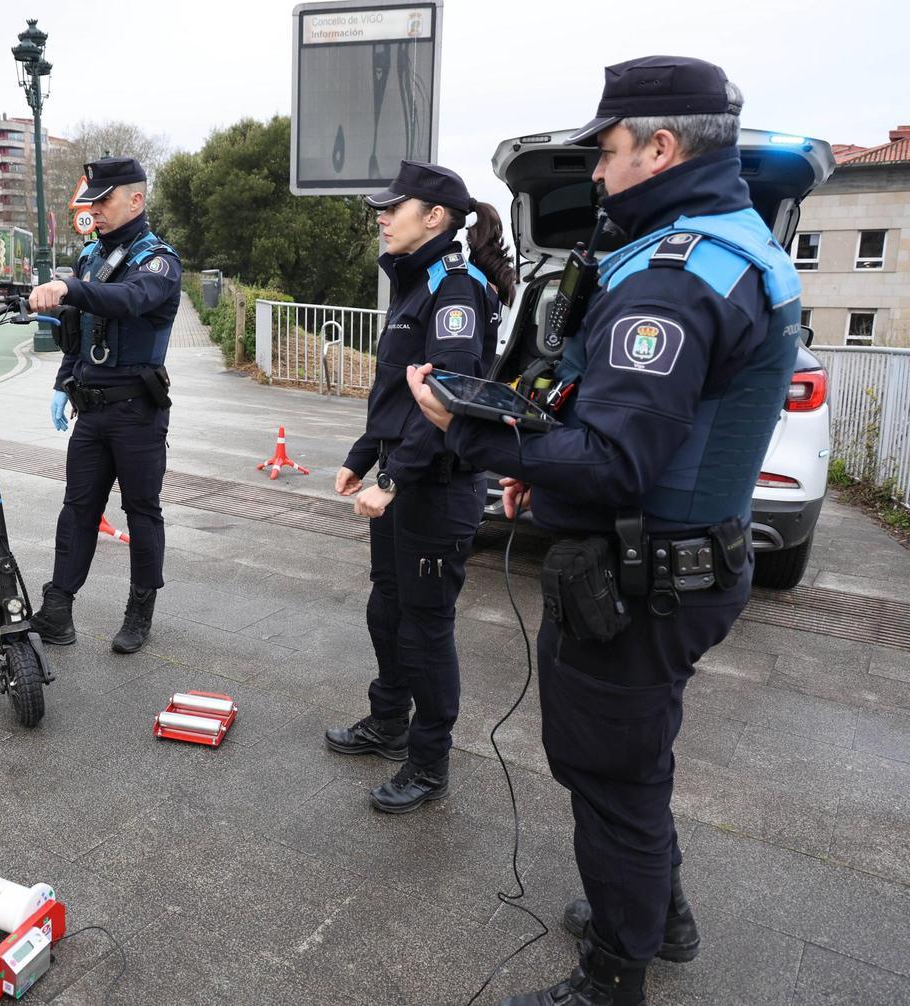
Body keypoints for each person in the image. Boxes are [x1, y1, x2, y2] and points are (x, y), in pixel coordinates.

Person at [408, 57, 802, 1005]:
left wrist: (468, 434)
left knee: (609, 773)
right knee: (636, 756)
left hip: (643, 580)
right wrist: (541, 470)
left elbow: (616, 461)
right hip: (683, 560)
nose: (596, 171)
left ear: (661, 147)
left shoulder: (672, 280)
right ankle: (656, 913)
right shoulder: (729, 243)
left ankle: (612, 976)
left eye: (609, 150)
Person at [325, 160, 516, 814]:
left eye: (393, 207)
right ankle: (389, 722)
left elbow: (448, 400)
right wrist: (362, 456)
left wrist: (395, 480)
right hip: (401, 478)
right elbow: (395, 394)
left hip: (435, 488)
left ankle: (429, 762)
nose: (381, 216)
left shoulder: (455, 291)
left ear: (434, 217)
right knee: (389, 610)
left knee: (425, 629)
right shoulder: (416, 282)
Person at [28, 156, 181, 655]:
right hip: (91, 411)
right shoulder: (92, 257)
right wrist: (62, 380)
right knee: (77, 508)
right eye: (90, 201)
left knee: (141, 511)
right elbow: (77, 333)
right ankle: (58, 607)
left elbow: (128, 300)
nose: (95, 209)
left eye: (104, 200)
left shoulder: (157, 261)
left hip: (138, 412)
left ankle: (140, 608)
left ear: (135, 200)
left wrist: (70, 286)